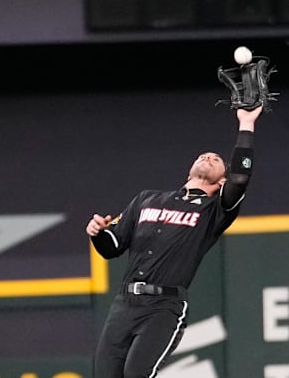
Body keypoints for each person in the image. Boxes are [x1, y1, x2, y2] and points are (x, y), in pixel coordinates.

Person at [86, 106, 263, 378]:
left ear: (221, 181)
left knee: (137, 374)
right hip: (125, 303)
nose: (208, 157)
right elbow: (112, 246)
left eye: (216, 159)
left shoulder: (214, 209)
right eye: (204, 155)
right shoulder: (147, 199)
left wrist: (246, 123)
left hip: (163, 307)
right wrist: (97, 233)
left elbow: (241, 177)